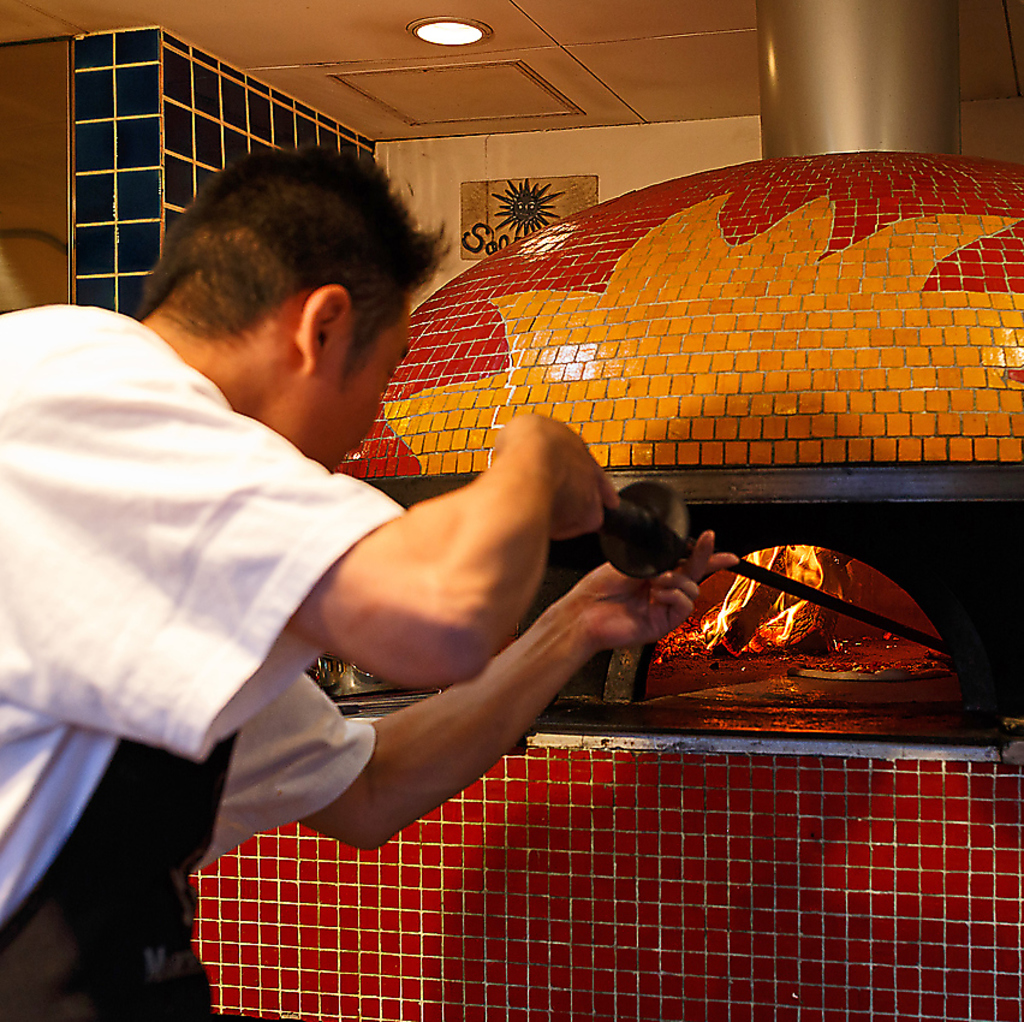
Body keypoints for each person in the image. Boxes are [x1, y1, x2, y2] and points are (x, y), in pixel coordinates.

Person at [0, 146, 735, 1019]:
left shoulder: (162, 547)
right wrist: (535, 455)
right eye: (384, 380)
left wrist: (572, 627)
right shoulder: (83, 386)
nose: (364, 433)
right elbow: (440, 618)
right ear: (322, 327)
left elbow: (369, 789)